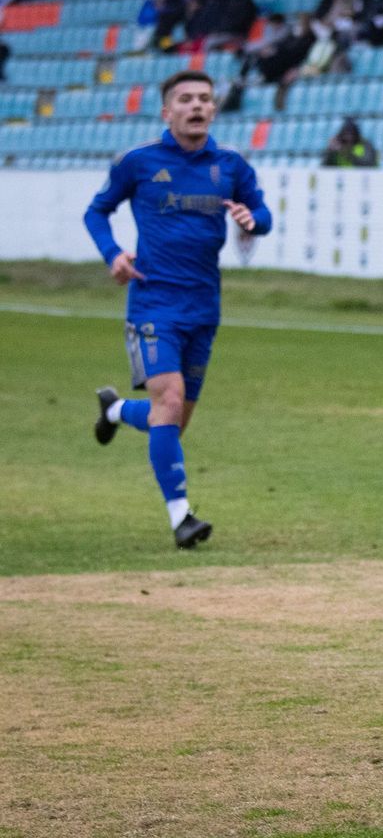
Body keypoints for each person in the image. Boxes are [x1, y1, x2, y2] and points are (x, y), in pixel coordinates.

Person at [84, 70, 272, 549]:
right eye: (186, 99)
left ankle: (117, 410)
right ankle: (182, 518)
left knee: (173, 420)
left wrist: (255, 220)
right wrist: (113, 254)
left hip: (204, 307)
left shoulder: (230, 164)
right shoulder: (139, 161)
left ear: (214, 110)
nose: (196, 106)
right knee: (169, 402)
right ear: (167, 111)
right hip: (152, 302)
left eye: (205, 99)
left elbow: (263, 213)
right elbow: (96, 211)